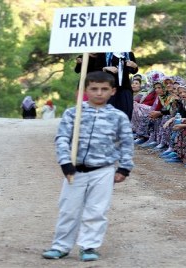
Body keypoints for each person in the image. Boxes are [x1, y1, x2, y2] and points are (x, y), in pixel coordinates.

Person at [41, 71, 134, 262]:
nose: (99, 93)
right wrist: (65, 163)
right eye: (94, 89)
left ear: (113, 91)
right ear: (86, 90)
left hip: (103, 170)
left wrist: (124, 168)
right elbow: (62, 139)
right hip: (75, 170)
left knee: (97, 210)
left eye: (104, 89)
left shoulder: (118, 117)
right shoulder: (73, 113)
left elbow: (126, 143)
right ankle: (61, 246)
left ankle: (89, 246)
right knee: (69, 209)